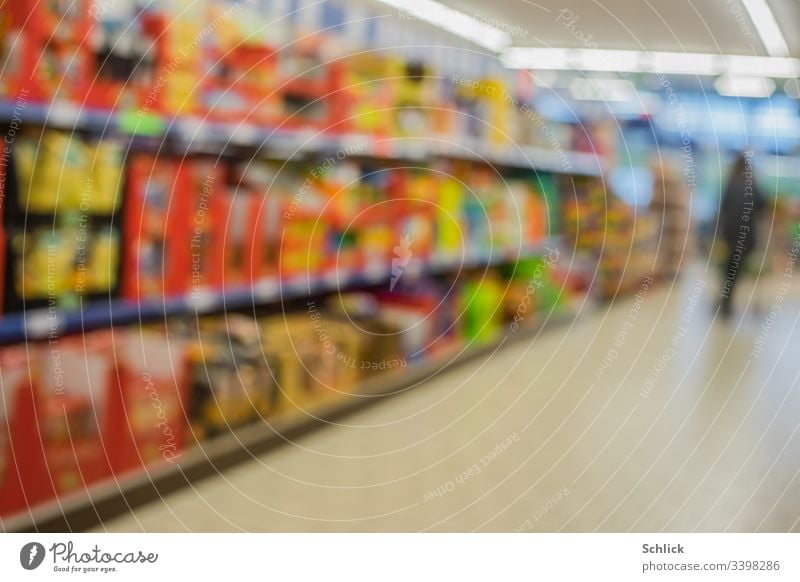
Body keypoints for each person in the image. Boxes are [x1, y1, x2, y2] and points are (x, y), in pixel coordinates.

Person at [718, 151, 763, 317]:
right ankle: (727, 302)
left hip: (730, 235)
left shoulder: (731, 183)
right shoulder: (753, 186)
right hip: (747, 237)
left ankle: (725, 301)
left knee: (730, 268)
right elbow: (761, 207)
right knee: (737, 269)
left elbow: (723, 209)